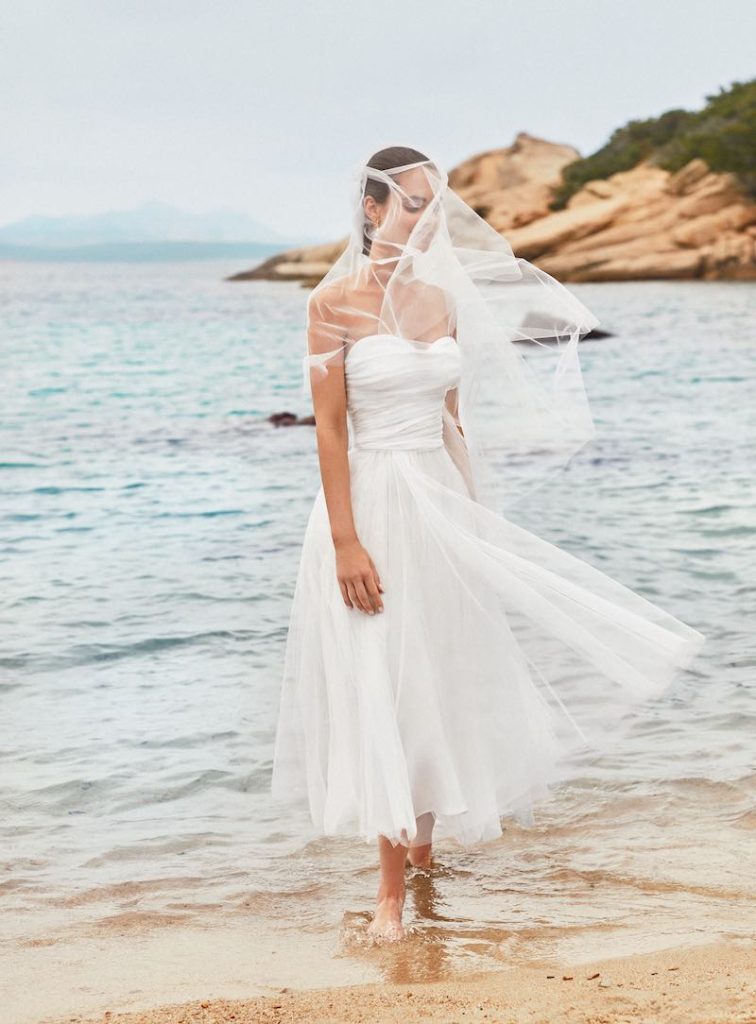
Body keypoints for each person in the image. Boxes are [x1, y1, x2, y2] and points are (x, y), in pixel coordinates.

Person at [269, 146, 705, 942]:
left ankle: (425, 863)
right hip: (373, 505)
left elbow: (454, 420)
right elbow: (330, 433)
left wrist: (474, 524)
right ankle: (390, 898)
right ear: (371, 209)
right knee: (387, 686)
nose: (426, 218)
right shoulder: (332, 305)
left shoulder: (442, 301)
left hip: (439, 503)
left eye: (434, 204)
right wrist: (345, 542)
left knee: (439, 676)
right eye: (410, 203)